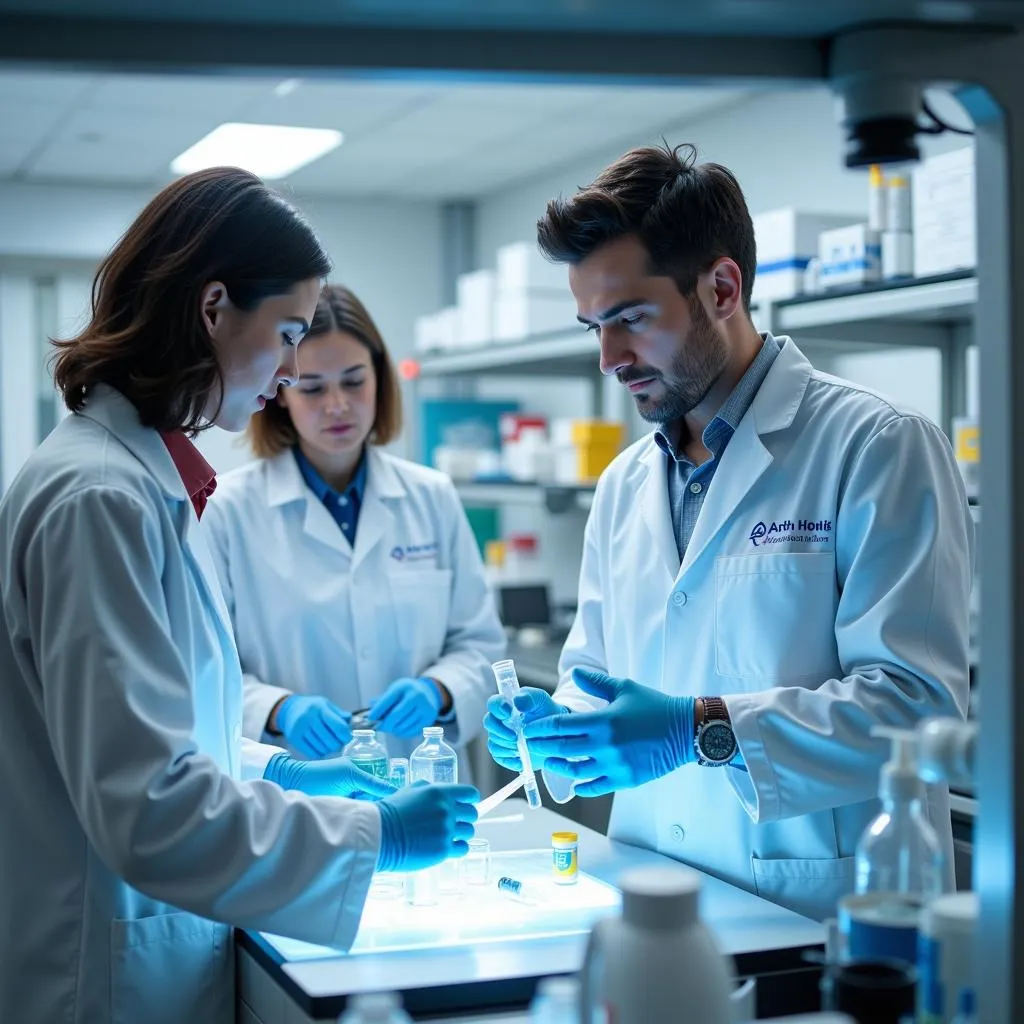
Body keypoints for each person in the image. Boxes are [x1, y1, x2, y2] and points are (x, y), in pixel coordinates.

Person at [0, 167, 478, 1024]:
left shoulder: (142, 482)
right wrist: (382, 839)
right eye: (289, 334)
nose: (296, 372)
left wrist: (284, 769)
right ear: (213, 307)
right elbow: (148, 808)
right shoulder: (100, 498)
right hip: (102, 973)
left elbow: (159, 732)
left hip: (158, 940)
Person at [484, 143, 973, 922]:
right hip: (652, 891)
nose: (609, 357)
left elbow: (919, 711)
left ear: (720, 287)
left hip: (818, 908)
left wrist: (699, 731)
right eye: (593, 328)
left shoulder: (876, 446)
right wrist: (556, 727)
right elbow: (596, 672)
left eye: (630, 319)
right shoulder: (622, 487)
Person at [204, 284, 504, 775]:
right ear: (281, 391)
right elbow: (208, 670)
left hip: (419, 787)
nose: (338, 405)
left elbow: (480, 645)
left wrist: (440, 689)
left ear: (380, 381)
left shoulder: (432, 497)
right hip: (296, 799)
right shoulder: (228, 510)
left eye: (353, 381)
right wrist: (277, 710)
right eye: (313, 387)